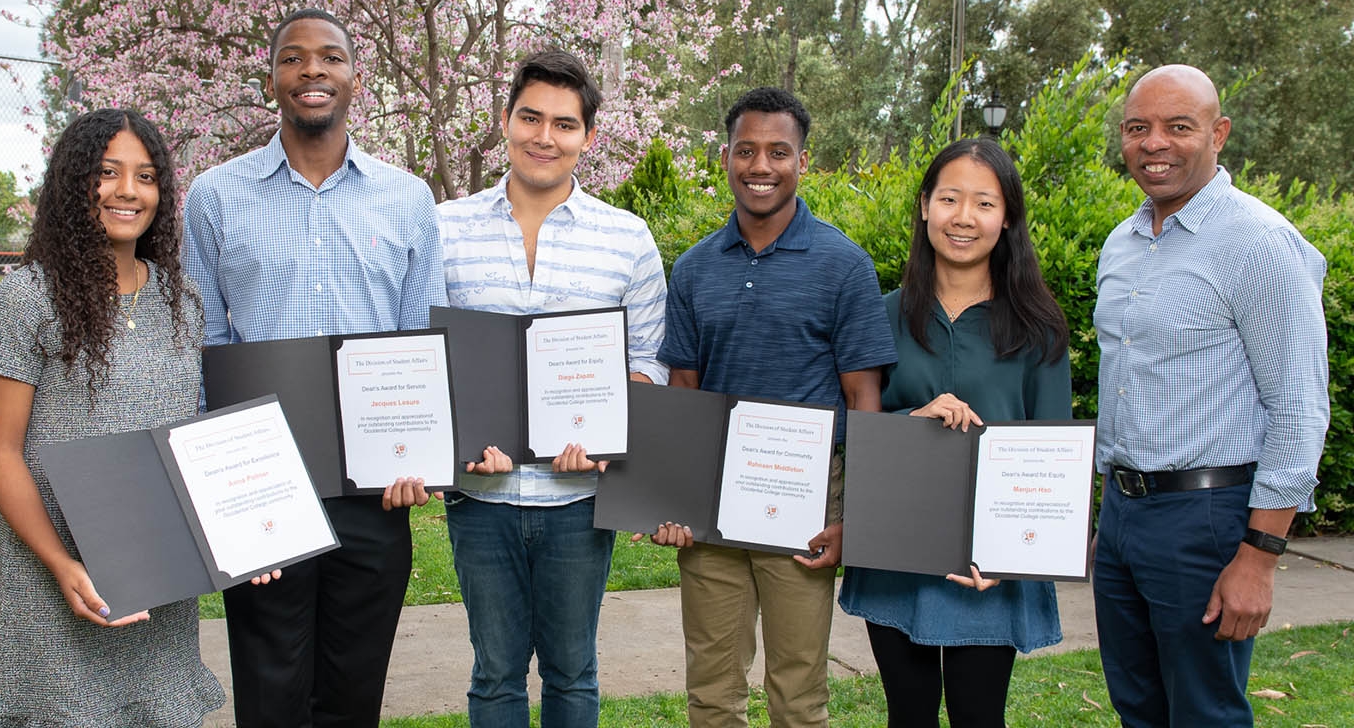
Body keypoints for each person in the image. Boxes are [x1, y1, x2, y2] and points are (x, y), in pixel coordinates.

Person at [182, 8, 446, 727]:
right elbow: (201, 340)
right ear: (272, 79)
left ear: (356, 77)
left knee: (353, 695)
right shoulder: (215, 197)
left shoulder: (409, 199)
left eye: (329, 57)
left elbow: (425, 339)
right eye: (293, 59)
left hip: (375, 491)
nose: (312, 72)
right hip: (261, 486)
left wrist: (422, 454)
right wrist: (219, 476)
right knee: (270, 694)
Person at [430, 48, 668, 728]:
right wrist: (461, 444)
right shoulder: (445, 228)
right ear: (504, 121)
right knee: (495, 676)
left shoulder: (627, 239)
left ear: (588, 138)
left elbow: (650, 357)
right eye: (530, 117)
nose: (544, 136)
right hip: (482, 496)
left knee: (573, 674)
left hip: (579, 499)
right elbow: (426, 356)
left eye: (564, 124)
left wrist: (605, 435)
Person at [651, 86, 897, 728]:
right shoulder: (695, 268)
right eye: (747, 151)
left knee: (797, 695)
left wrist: (859, 515)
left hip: (806, 505)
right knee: (712, 693)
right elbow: (683, 387)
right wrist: (674, 497)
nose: (761, 166)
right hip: (712, 504)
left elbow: (862, 396)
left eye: (778, 152)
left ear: (802, 162)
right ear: (727, 157)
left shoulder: (844, 266)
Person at [1093, 64, 1328, 727]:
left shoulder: (1260, 242)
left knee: (1204, 713)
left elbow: (1299, 405)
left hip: (1209, 518)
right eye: (1138, 128)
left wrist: (1260, 557)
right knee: (1136, 706)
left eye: (1179, 127)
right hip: (1123, 516)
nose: (1155, 143)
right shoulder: (1122, 242)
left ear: (1218, 133)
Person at [0, 108, 224, 726]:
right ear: (73, 183)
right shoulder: (26, 297)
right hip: (54, 580)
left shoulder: (180, 300)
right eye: (106, 173)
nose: (126, 191)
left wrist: (245, 532)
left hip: (157, 582)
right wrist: (63, 564)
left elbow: (188, 440)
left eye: (144, 176)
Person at [838, 139, 1069, 727]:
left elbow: (1053, 452)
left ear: (1007, 217)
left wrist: (1013, 555)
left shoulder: (1038, 328)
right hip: (898, 551)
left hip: (986, 563)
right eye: (949, 198)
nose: (964, 217)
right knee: (907, 717)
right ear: (924, 206)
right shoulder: (882, 314)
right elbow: (856, 432)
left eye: (984, 203)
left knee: (978, 717)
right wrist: (909, 423)